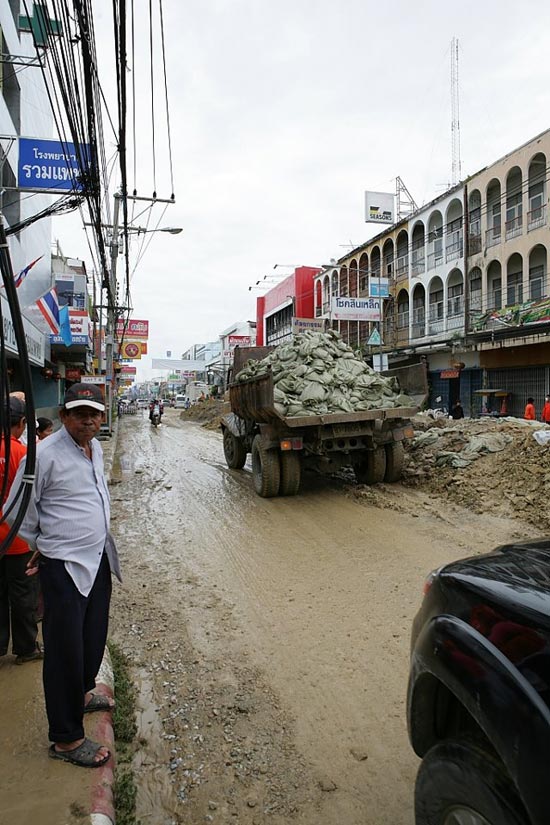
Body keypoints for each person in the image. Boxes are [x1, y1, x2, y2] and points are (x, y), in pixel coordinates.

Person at [5, 383, 122, 768]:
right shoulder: (44, 455)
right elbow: (15, 511)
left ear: (102, 417)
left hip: (97, 558)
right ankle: (67, 739)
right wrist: (46, 542)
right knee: (63, 651)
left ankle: (84, 694)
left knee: (92, 638)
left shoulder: (96, 447)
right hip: (64, 567)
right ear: (64, 415)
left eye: (94, 413)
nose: (88, 420)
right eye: (79, 413)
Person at [0, 396, 41, 664]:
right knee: (23, 596)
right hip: (16, 541)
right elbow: (32, 501)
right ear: (22, 424)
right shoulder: (23, 454)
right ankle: (26, 649)